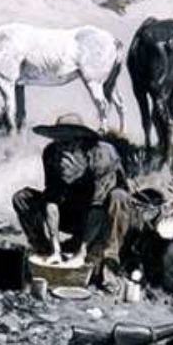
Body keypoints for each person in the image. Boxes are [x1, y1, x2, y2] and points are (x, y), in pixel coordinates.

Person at [12, 113, 141, 293]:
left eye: (69, 145)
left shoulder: (102, 155)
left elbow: (98, 206)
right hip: (74, 213)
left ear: (81, 143)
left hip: (106, 217)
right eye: (59, 143)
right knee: (23, 198)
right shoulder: (51, 154)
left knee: (119, 197)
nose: (63, 153)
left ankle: (109, 264)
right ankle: (44, 252)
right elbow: (52, 200)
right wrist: (55, 247)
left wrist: (81, 253)